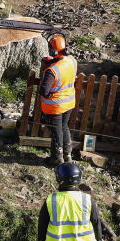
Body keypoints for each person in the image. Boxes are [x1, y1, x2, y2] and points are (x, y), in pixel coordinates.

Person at [38, 33, 77, 166]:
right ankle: (67, 155)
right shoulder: (72, 60)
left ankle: (56, 158)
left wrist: (47, 96)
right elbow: (63, 67)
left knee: (56, 132)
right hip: (69, 103)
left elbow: (44, 91)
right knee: (64, 127)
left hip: (54, 106)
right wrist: (52, 61)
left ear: (52, 50)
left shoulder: (52, 71)